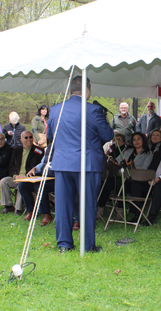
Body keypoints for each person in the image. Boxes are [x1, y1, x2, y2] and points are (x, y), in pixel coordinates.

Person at [47, 76, 114, 253]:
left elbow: (50, 136)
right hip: (87, 163)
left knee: (62, 205)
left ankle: (64, 244)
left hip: (62, 163)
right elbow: (107, 135)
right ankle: (87, 244)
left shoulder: (54, 110)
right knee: (87, 204)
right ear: (88, 90)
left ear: (71, 90)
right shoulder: (93, 110)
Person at [97, 132, 153, 220]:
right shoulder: (128, 150)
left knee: (120, 183)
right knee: (108, 182)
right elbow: (117, 161)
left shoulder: (148, 153)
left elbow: (144, 168)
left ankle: (121, 211)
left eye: (138, 139)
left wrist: (130, 165)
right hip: (122, 176)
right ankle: (100, 210)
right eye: (134, 139)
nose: (136, 141)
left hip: (136, 180)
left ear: (143, 140)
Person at [0, 131, 45, 218]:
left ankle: (18, 209)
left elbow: (40, 167)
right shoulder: (16, 151)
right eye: (26, 137)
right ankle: (8, 206)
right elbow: (11, 166)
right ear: (21, 140)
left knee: (22, 184)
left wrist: (26, 177)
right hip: (17, 176)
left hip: (29, 178)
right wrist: (15, 176)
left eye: (30, 137)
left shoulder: (38, 151)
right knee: (3, 181)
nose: (29, 139)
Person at [19, 146, 54, 227]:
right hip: (44, 176)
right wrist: (34, 168)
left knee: (39, 185)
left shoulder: (63, 147)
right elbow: (43, 163)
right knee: (23, 184)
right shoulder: (49, 147)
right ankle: (31, 211)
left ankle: (46, 214)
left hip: (56, 178)